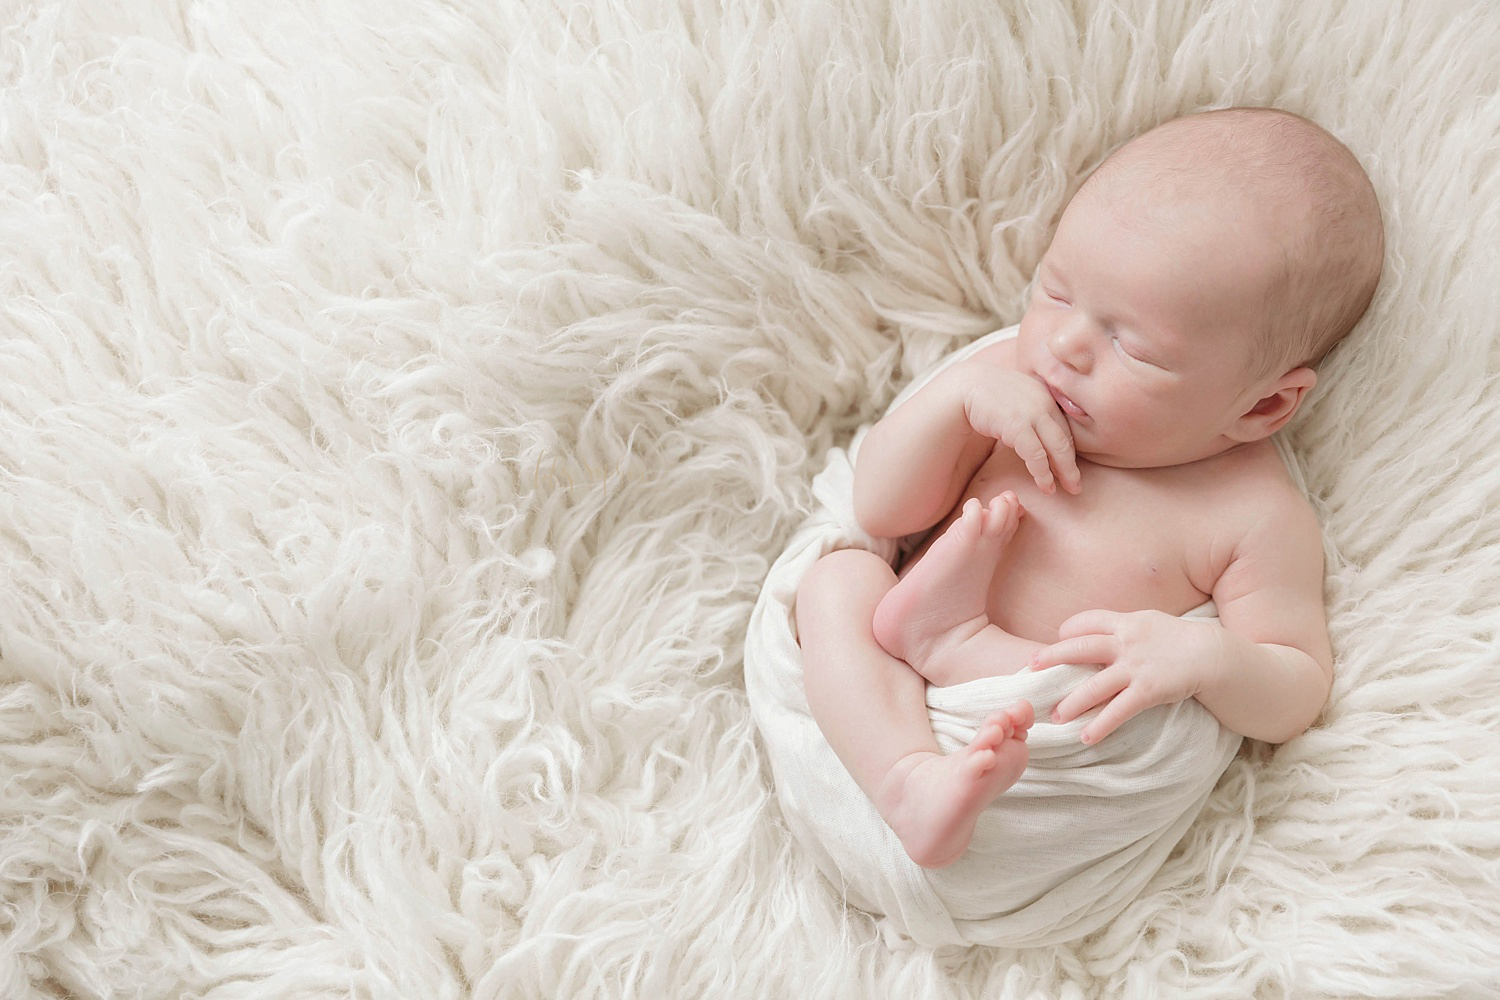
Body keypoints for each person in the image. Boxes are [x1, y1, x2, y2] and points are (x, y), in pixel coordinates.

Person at [793, 107, 1384, 870]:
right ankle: (906, 776)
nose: (1065, 347)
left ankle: (952, 650)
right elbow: (881, 510)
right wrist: (956, 402)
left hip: (1024, 763)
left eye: (1132, 345)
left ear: (1262, 405)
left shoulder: (1252, 514)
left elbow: (1296, 689)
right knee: (840, 576)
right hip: (872, 712)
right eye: (1058, 293)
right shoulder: (1008, 379)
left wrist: (1205, 657)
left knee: (1106, 697)